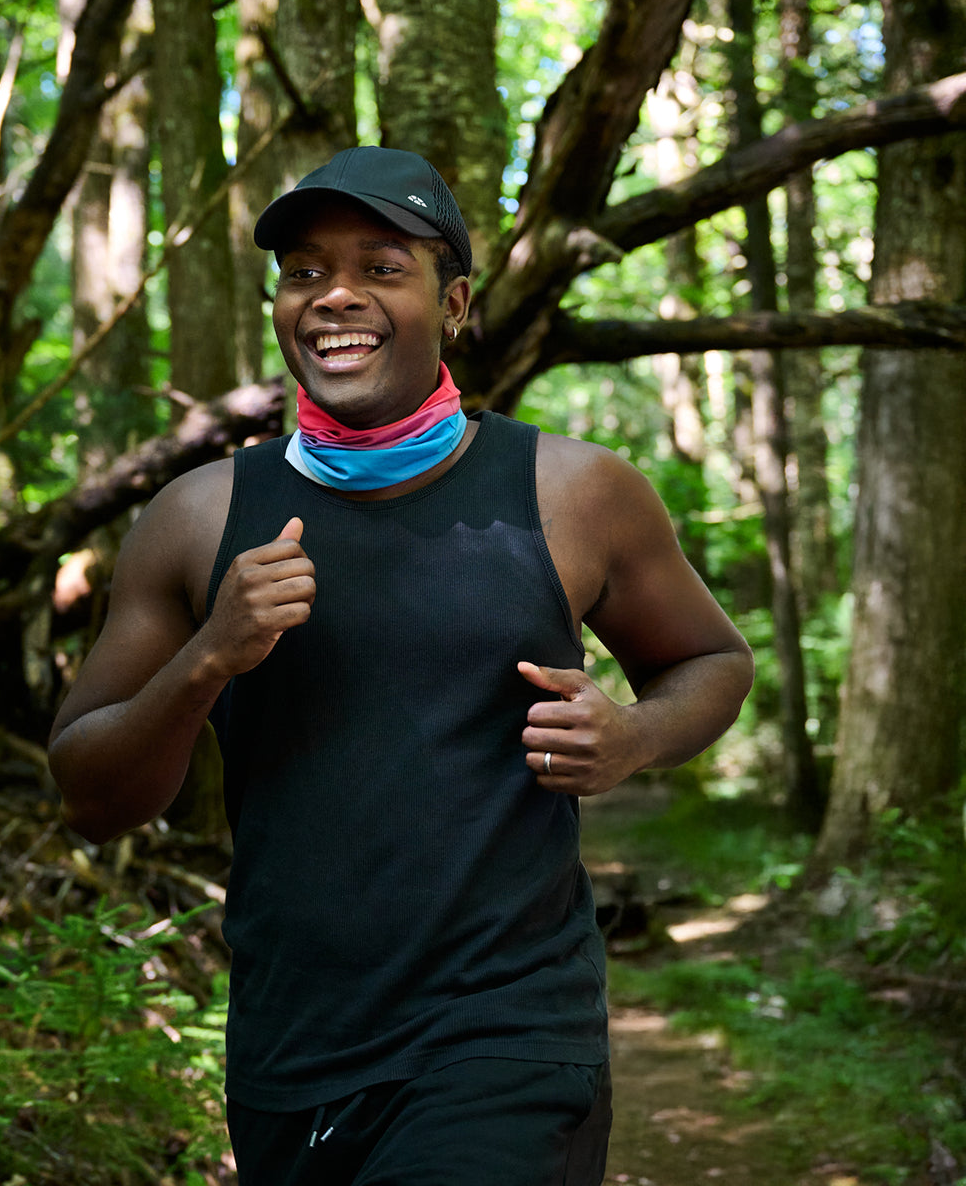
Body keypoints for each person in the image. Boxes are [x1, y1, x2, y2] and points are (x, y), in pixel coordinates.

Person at [48, 145, 754, 1186]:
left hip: (509, 1035)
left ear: (455, 303)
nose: (335, 295)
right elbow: (92, 793)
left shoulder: (573, 492)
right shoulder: (199, 519)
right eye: (304, 271)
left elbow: (712, 659)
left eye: (382, 267)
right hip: (291, 1054)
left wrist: (632, 736)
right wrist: (208, 659)